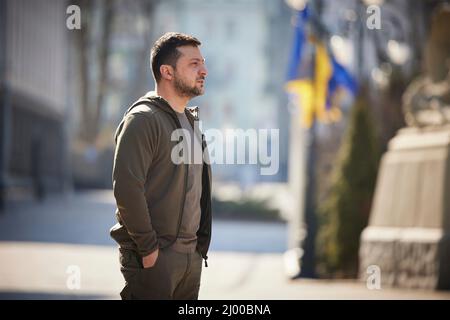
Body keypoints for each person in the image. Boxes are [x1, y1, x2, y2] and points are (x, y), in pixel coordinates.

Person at [110, 32, 212, 300]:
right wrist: (149, 249)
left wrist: (198, 249)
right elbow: (127, 188)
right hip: (156, 258)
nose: (204, 70)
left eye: (202, 62)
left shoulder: (191, 123)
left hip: (191, 259)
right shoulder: (143, 120)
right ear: (167, 71)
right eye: (194, 64)